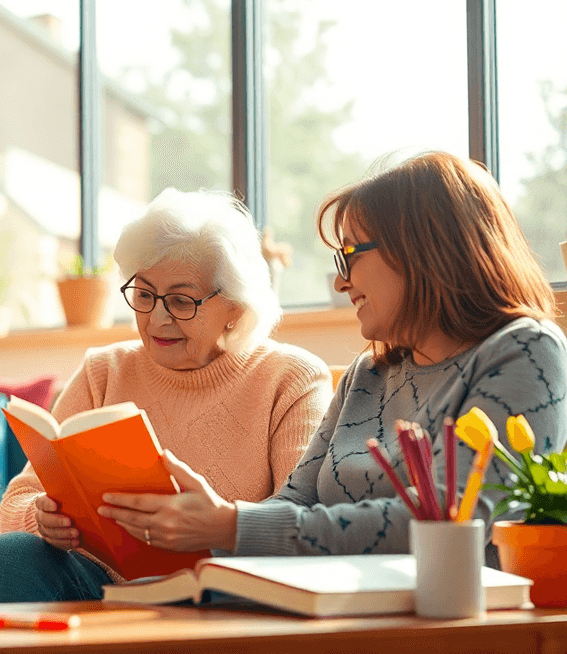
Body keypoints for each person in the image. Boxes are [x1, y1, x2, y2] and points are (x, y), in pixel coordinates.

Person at [90, 152, 567, 567]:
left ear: (422, 249)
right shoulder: (369, 373)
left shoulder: (524, 350)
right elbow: (297, 500)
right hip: (334, 606)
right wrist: (206, 520)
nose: (340, 282)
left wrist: (231, 525)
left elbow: (453, 519)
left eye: (350, 256)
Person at [0, 189, 333, 603]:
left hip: (224, 588)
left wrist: (218, 525)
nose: (157, 318)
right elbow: (15, 503)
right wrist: (42, 518)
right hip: (101, 586)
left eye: (180, 301)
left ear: (235, 306)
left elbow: (303, 522)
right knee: (7, 555)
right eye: (143, 295)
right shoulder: (104, 370)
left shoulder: (291, 379)